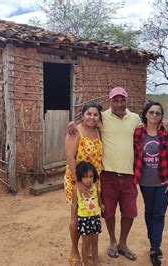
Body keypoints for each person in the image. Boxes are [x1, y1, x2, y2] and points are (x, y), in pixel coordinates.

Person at [69, 87, 142, 261]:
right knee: (107, 212)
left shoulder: (135, 118)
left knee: (129, 212)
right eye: (115, 100)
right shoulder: (104, 118)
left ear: (126, 100)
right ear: (110, 102)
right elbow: (87, 121)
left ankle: (123, 243)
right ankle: (112, 241)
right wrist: (72, 123)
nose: (119, 103)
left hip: (129, 175)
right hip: (107, 175)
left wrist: (162, 123)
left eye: (122, 100)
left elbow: (148, 129)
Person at [133, 101, 168, 266]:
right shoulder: (137, 133)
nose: (154, 115)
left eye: (157, 113)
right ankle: (152, 239)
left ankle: (155, 247)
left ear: (161, 116)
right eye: (151, 112)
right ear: (145, 114)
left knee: (159, 213)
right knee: (149, 211)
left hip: (163, 181)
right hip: (145, 182)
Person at [64, 100, 103, 265]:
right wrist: (78, 183)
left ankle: (88, 249)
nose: (92, 117)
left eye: (95, 114)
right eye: (89, 114)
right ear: (82, 115)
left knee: (91, 214)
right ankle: (74, 249)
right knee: (77, 216)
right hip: (77, 181)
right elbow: (69, 156)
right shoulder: (75, 130)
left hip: (94, 183)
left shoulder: (99, 132)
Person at [70, 161, 103, 266]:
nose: (88, 179)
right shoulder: (76, 189)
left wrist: (101, 205)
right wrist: (73, 219)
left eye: (91, 176)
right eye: (85, 177)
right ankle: (86, 263)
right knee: (85, 244)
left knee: (95, 242)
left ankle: (96, 261)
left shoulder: (95, 186)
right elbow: (74, 205)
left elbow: (98, 197)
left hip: (95, 217)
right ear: (79, 177)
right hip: (84, 220)